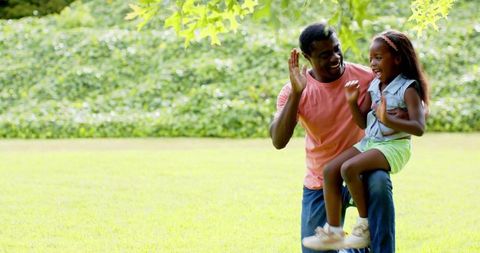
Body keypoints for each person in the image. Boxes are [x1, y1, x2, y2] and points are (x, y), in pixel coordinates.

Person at [270, 23, 403, 253]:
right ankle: (353, 249)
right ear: (307, 57)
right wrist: (297, 94)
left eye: (336, 49)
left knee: (380, 183)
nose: (334, 58)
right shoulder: (294, 90)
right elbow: (278, 140)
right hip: (321, 178)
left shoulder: (366, 77)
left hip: (361, 169)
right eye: (324, 54)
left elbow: (403, 89)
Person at [301, 30, 429, 251]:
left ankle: (364, 225)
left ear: (397, 59)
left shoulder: (408, 88)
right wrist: (351, 102)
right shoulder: (374, 85)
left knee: (349, 168)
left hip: (394, 147)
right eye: (371, 58)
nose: (373, 63)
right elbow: (363, 123)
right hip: (371, 142)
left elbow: (418, 128)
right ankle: (334, 232)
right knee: (330, 170)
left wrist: (388, 119)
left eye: (378, 58)